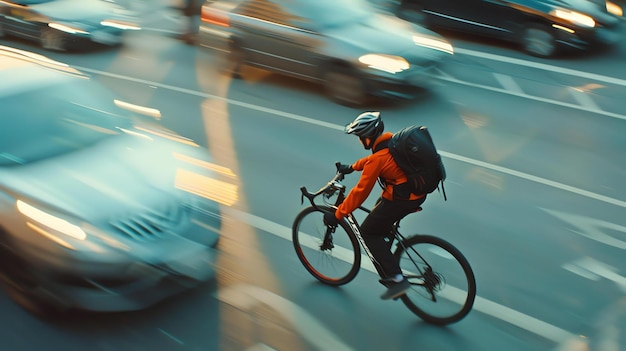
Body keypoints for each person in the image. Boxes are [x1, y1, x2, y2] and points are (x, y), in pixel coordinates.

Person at [323, 111, 427, 300]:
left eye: (360, 137)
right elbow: (376, 159)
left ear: (367, 137)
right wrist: (352, 167)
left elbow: (360, 192)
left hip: (403, 199)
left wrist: (338, 214)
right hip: (415, 193)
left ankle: (397, 279)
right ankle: (385, 242)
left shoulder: (376, 160)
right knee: (379, 213)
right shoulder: (392, 141)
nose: (359, 141)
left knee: (368, 232)